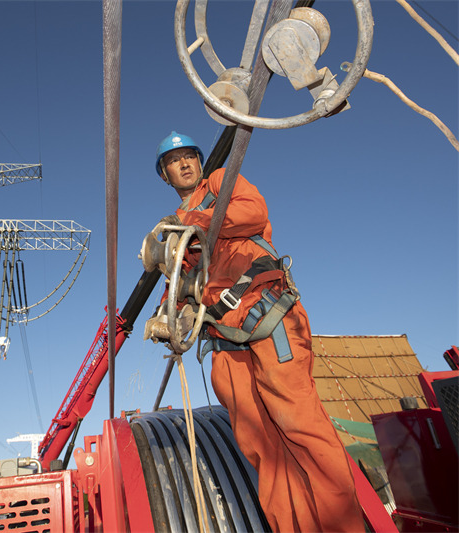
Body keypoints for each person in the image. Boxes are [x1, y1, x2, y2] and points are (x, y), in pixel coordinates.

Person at [154, 131, 365, 532]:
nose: (183, 164)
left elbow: (252, 213)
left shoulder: (217, 184)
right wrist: (170, 314)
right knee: (261, 447)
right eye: (173, 161)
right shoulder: (176, 235)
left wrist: (188, 221)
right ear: (164, 175)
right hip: (225, 341)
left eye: (188, 157)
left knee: (300, 424)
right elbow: (180, 287)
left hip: (267, 317)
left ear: (199, 163)